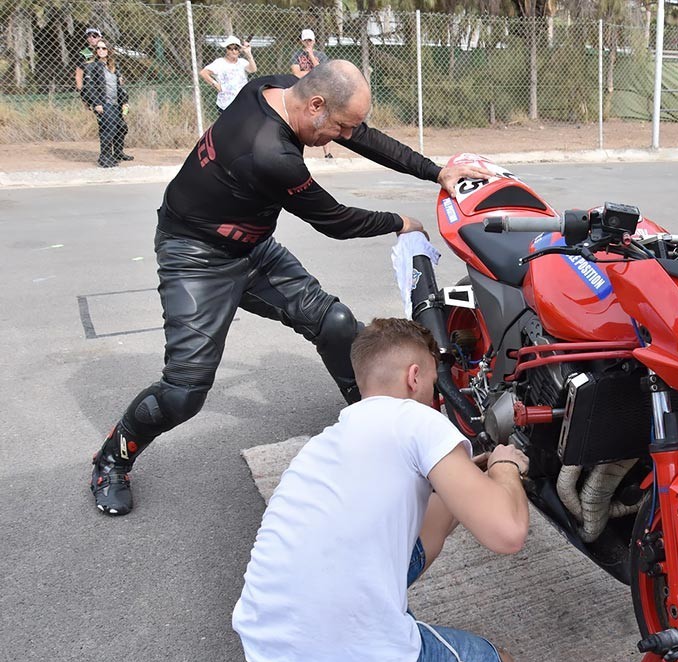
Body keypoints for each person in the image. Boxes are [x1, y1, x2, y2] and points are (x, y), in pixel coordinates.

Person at [88, 59, 493, 516]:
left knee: (336, 323)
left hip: (252, 246)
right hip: (196, 256)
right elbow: (335, 221)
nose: (339, 138)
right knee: (184, 391)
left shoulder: (283, 90)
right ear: (316, 105)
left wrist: (433, 170)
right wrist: (400, 221)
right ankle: (111, 459)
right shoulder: (269, 153)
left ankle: (376, 433)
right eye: (337, 126)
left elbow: (362, 135)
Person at [232, 318, 530, 662]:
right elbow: (508, 534)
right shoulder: (416, 419)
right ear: (415, 376)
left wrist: (470, 473)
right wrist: (506, 467)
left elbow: (440, 503)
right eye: (431, 380)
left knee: (435, 509)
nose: (433, 394)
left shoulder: (325, 443)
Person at [80, 41, 132, 168]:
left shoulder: (113, 66)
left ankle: (117, 153)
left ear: (109, 50)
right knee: (108, 129)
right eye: (98, 48)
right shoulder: (92, 66)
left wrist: (125, 101)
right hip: (103, 103)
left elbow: (119, 86)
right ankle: (104, 158)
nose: (100, 50)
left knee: (121, 128)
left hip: (116, 103)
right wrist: (96, 103)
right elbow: (89, 87)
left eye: (103, 48)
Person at [290, 28, 332, 158]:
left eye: (310, 40)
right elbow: (296, 73)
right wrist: (313, 73)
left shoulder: (321, 55)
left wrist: (311, 55)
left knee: (322, 119)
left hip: (319, 89)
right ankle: (298, 152)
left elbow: (322, 70)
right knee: (300, 120)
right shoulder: (296, 55)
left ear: (314, 41)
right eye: (305, 40)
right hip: (303, 89)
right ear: (301, 41)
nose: (308, 43)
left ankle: (328, 153)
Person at [200, 35, 257, 119]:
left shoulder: (242, 62)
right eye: (230, 48)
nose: (233, 51)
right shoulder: (219, 63)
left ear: (239, 50)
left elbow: (253, 69)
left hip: (242, 103)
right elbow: (203, 73)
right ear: (226, 50)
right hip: (225, 104)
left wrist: (249, 54)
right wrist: (214, 83)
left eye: (236, 48)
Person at [74, 28, 101, 93]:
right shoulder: (85, 52)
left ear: (100, 37)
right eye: (89, 36)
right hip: (90, 82)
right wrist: (80, 86)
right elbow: (79, 69)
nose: (91, 38)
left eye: (94, 35)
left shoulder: (104, 50)